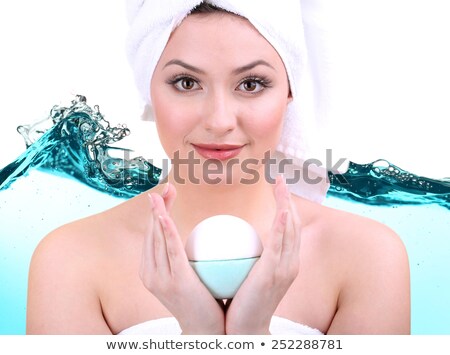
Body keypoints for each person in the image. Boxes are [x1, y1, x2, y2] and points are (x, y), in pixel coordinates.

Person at [26, 0, 410, 335]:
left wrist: (249, 333)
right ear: (149, 89)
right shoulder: (70, 261)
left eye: (251, 84)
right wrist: (202, 332)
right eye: (187, 82)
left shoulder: (368, 258)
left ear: (290, 92)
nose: (220, 120)